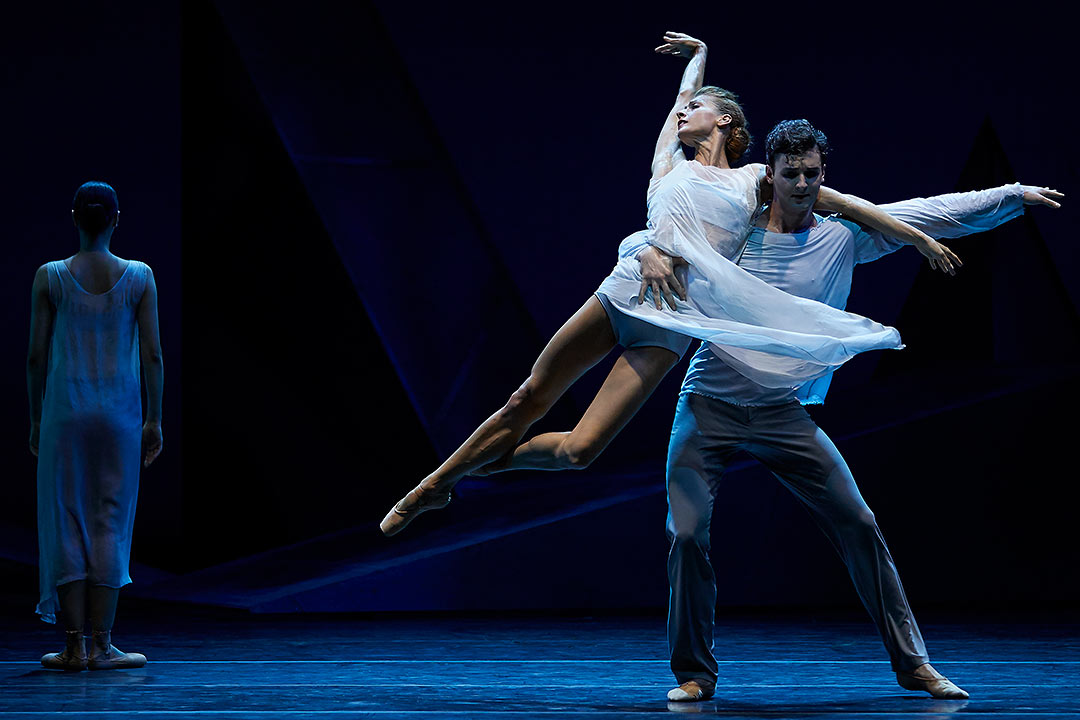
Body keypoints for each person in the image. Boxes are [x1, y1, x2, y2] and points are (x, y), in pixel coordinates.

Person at [380, 33, 955, 536]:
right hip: (625, 291)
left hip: (672, 321)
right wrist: (698, 58)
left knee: (581, 452)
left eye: (699, 108)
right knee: (527, 399)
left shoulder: (755, 179)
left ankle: (476, 467)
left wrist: (919, 239)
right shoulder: (669, 164)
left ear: (725, 120)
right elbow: (679, 100)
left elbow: (848, 203)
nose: (684, 114)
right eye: (684, 108)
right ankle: (429, 487)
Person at [647, 119, 1063, 702]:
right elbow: (669, 222)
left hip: (785, 414)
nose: (800, 184)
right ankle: (694, 672)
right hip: (709, 402)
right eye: (789, 174)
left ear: (824, 175)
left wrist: (1009, 197)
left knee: (860, 525)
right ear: (771, 174)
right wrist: (650, 255)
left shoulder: (843, 237)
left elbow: (929, 213)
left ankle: (914, 665)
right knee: (686, 535)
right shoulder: (735, 232)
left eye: (811, 174)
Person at [27, 181, 163, 671]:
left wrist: (36, 417)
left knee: (65, 519)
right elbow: (151, 353)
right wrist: (154, 418)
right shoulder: (140, 277)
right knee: (109, 520)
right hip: (119, 416)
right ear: (116, 218)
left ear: (74, 218)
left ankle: (73, 646)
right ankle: (102, 645)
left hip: (66, 412)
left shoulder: (50, 277)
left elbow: (36, 356)